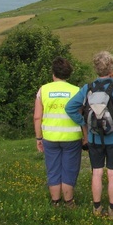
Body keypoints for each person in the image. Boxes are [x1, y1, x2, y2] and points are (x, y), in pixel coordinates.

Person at [66, 51, 113, 219]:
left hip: (94, 137)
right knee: (112, 173)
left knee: (97, 172)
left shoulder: (87, 88)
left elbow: (70, 107)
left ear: (95, 68)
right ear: (111, 68)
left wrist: (84, 123)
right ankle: (112, 210)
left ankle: (96, 208)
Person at [33, 57, 83, 208]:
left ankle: (55, 201)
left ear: (53, 73)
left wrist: (38, 137)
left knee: (53, 169)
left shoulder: (44, 90)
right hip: (72, 137)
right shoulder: (77, 91)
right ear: (68, 73)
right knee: (70, 168)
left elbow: (37, 117)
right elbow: (81, 116)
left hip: (50, 137)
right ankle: (69, 201)